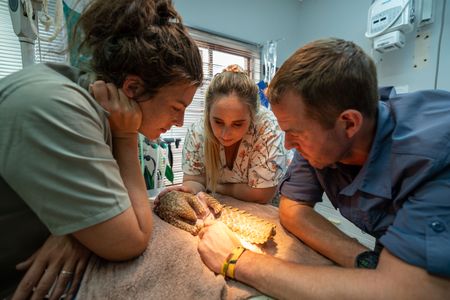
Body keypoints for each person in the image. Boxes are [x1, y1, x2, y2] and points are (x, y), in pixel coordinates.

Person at [198, 38, 450, 299]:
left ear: (349, 124)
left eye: (294, 133)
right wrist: (364, 260)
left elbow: (413, 290)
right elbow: (293, 208)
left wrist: (237, 260)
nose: (287, 143)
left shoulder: (433, 156)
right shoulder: (326, 138)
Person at [0, 0, 203, 298]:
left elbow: (114, 207)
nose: (180, 120)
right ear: (133, 89)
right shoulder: (57, 107)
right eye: (176, 106)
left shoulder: (97, 107)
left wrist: (79, 231)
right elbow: (131, 239)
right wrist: (126, 137)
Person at [161, 64, 287, 205]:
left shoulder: (267, 128)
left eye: (237, 124)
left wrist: (214, 187)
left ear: (252, 117)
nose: (225, 134)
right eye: (218, 122)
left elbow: (262, 194)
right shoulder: (198, 131)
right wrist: (188, 190)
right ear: (208, 114)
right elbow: (195, 180)